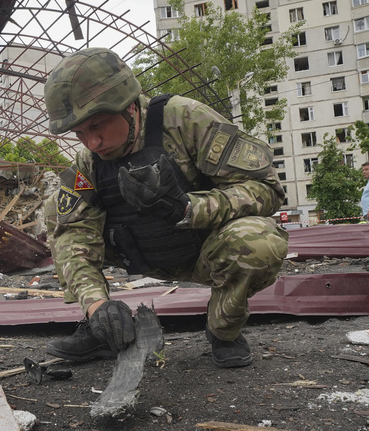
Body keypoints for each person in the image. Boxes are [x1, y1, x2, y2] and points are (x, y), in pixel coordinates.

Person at [42, 48, 289, 368]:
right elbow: (71, 234)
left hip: (203, 250)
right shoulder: (87, 163)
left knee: (260, 241)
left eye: (98, 125)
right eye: (80, 133)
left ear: (129, 106)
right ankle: (101, 329)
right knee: (58, 214)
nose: (92, 143)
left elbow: (267, 189)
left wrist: (190, 209)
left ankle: (223, 331)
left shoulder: (185, 121)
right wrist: (96, 305)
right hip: (135, 252)